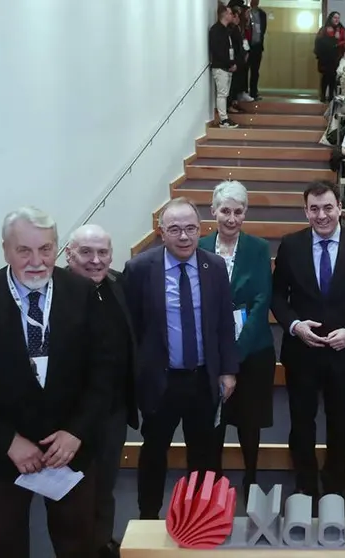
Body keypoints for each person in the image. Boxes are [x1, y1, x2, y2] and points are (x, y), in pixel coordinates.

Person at [0, 208, 114, 558]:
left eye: (46, 249)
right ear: (6, 249)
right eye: (24, 250)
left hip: (70, 454)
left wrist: (76, 433)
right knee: (0, 545)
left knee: (79, 545)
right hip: (0, 455)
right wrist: (7, 441)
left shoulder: (83, 293)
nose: (37, 261)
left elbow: (104, 373)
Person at [123, 198, 238, 520]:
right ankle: (148, 516)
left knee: (205, 454)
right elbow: (131, 329)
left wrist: (228, 370)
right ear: (161, 232)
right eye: (175, 229)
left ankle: (202, 517)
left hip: (204, 377)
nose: (184, 236)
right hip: (161, 380)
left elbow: (224, 325)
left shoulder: (214, 266)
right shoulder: (139, 269)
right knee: (154, 452)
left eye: (190, 229)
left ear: (201, 230)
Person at [271, 181, 345, 498]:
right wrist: (295, 324)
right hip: (302, 351)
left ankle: (335, 484)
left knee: (339, 423)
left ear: (340, 207)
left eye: (328, 207)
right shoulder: (291, 244)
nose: (322, 215)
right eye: (314, 209)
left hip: (344, 352)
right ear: (305, 211)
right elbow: (276, 297)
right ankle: (305, 482)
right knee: (301, 423)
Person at [198, 181, 274, 506]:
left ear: (245, 213)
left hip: (253, 350)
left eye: (238, 211)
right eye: (225, 210)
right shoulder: (199, 245)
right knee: (212, 422)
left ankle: (252, 475)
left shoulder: (257, 248)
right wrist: (220, 357)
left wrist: (236, 357)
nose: (231, 218)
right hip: (209, 351)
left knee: (249, 420)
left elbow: (260, 301)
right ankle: (213, 480)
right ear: (213, 211)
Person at [66, 224, 137, 558]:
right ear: (69, 254)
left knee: (106, 481)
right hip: (71, 415)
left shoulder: (119, 283)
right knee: (73, 489)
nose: (95, 260)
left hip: (114, 408)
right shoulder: (55, 291)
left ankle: (102, 541)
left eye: (103, 252)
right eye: (86, 252)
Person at [210, 4, 239, 129]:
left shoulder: (225, 30)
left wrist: (232, 63)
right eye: (229, 13)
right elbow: (218, 50)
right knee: (222, 94)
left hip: (226, 66)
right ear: (224, 14)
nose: (231, 15)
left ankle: (225, 117)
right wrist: (229, 63)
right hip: (220, 67)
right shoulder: (216, 30)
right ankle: (223, 119)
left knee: (225, 93)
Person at [314, 12, 345, 102]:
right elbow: (318, 41)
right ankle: (322, 96)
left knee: (334, 77)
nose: (337, 19)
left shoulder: (341, 29)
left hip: (336, 57)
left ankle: (331, 97)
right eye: (335, 17)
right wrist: (331, 41)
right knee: (325, 77)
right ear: (331, 18)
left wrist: (337, 43)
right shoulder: (324, 29)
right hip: (325, 57)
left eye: (338, 18)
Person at [244, 0, 267, 100]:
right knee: (244, 70)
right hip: (247, 47)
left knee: (255, 71)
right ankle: (244, 92)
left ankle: (254, 92)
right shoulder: (246, 12)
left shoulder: (262, 14)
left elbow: (263, 30)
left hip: (257, 46)